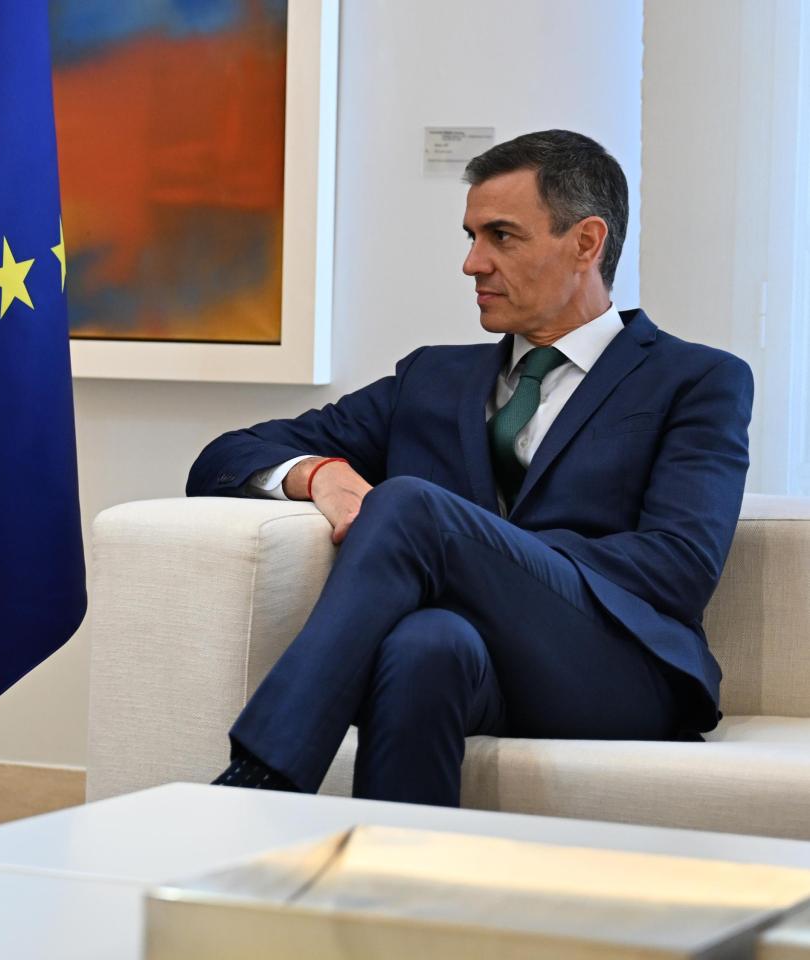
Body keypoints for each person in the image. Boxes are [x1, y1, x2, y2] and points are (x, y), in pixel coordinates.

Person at [186, 129, 753, 806]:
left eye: (502, 236)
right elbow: (221, 458)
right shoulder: (430, 378)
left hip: (617, 669)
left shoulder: (696, 380)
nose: (472, 264)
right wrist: (317, 474)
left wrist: (484, 555)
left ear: (585, 243)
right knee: (425, 643)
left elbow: (679, 567)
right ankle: (395, 889)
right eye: (470, 236)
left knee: (412, 506)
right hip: (474, 663)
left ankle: (262, 781)